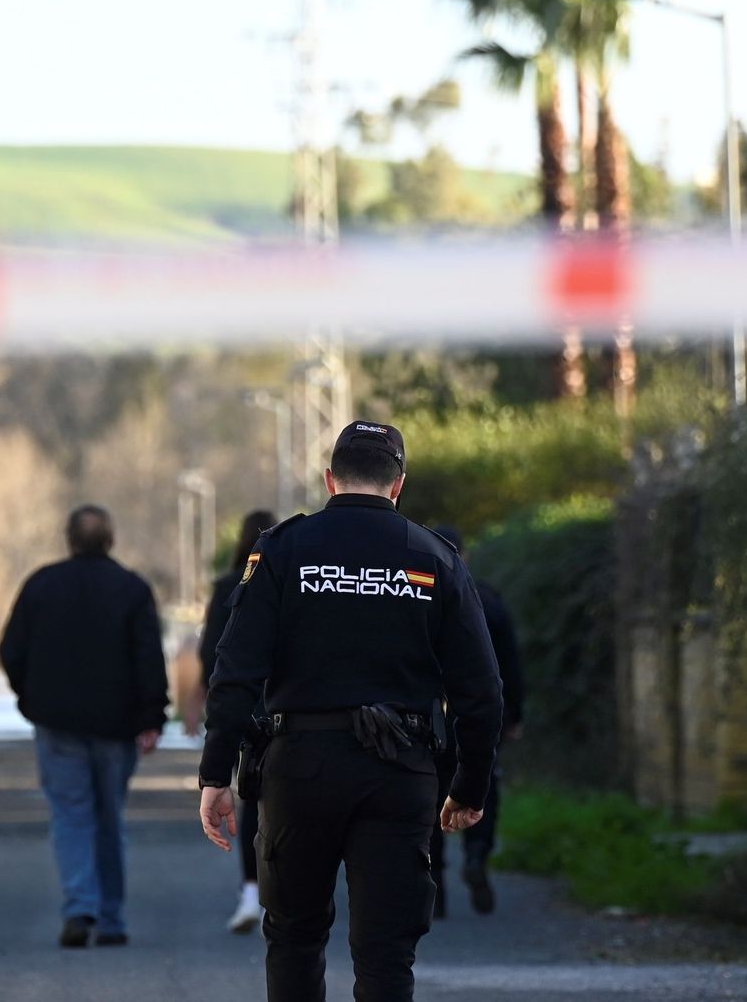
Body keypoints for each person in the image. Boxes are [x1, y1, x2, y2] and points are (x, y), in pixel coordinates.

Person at [198, 420, 503, 1002]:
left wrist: (217, 774)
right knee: (387, 952)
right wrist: (469, 785)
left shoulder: (284, 549)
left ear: (330, 480)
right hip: (400, 771)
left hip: (300, 767)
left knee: (293, 937)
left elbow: (235, 671)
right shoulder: (433, 557)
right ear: (399, 485)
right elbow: (482, 689)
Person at [0, 504, 169, 949]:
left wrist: (30, 700)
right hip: (117, 728)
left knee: (71, 816)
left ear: (69, 540)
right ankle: (111, 919)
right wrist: (152, 716)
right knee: (110, 818)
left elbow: (11, 650)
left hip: (57, 726)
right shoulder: (132, 590)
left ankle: (79, 908)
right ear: (110, 540)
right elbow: (149, 658)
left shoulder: (40, 586)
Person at [427, 524, 525, 919]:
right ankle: (477, 856)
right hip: (481, 714)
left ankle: (434, 884)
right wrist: (513, 714)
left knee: (430, 795)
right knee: (482, 788)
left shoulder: (414, 595)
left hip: (429, 719)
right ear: (464, 555)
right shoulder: (489, 600)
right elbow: (510, 666)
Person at [199, 508, 279, 934]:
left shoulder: (226, 587)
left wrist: (206, 709)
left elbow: (212, 651)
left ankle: (251, 890)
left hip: (238, 708)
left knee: (248, 797)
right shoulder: (289, 578)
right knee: (281, 801)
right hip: (281, 708)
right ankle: (278, 893)